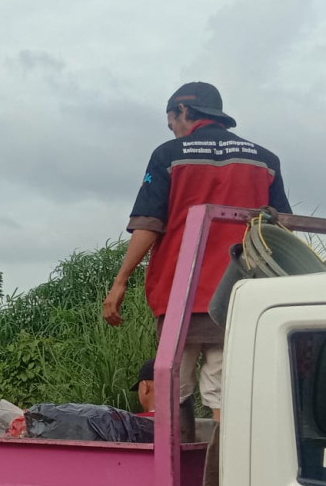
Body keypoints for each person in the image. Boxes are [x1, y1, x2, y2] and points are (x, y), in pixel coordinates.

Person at [103, 82, 291, 422]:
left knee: (174, 386)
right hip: (240, 294)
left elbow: (149, 223)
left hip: (181, 294)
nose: (173, 129)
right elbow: (282, 230)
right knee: (222, 389)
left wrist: (120, 281)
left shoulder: (169, 155)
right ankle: (224, 473)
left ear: (184, 111)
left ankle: (175, 472)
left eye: (172, 120)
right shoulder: (266, 161)